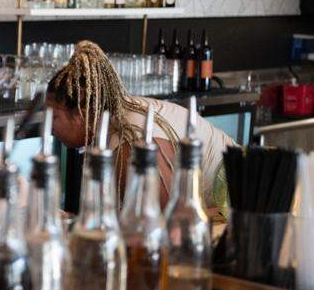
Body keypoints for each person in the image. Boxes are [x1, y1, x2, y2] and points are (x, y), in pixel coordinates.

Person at [45, 40, 232, 209]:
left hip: (236, 198)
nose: (49, 128)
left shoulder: (129, 141)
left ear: (80, 113)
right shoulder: (112, 117)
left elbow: (162, 221)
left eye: (54, 118)